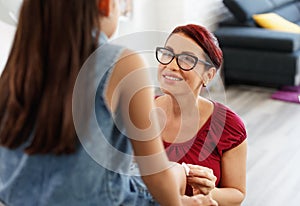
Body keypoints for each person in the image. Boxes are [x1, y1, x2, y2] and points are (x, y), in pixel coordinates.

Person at [0, 0, 218, 206]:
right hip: (95, 199)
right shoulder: (123, 63)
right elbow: (156, 173)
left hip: (17, 197)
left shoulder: (19, 63)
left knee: (173, 172)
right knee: (175, 175)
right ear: (105, 4)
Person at [154, 24, 247, 205]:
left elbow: (237, 194)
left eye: (187, 59)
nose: (171, 65)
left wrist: (210, 193)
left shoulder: (229, 126)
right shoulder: (139, 111)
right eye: (167, 54)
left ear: (208, 75)